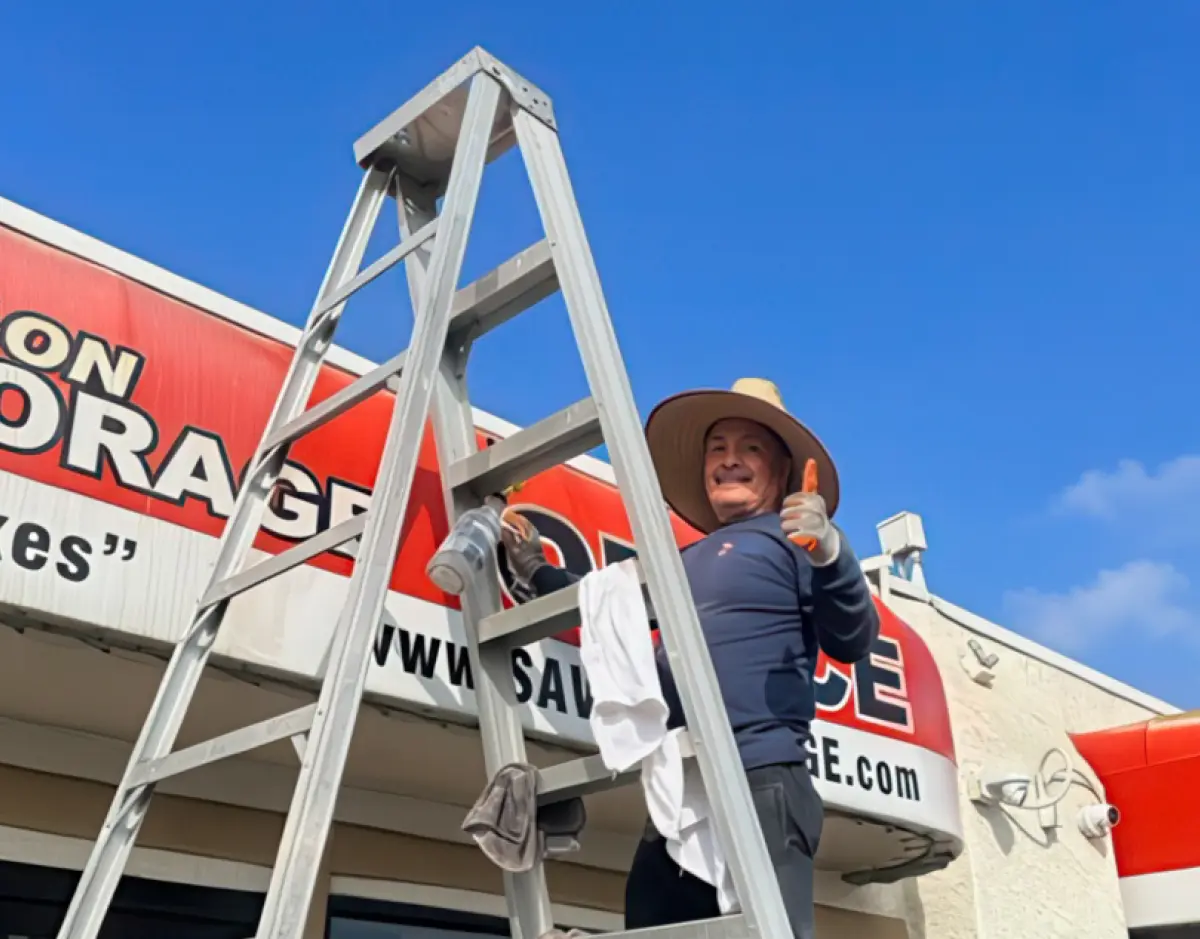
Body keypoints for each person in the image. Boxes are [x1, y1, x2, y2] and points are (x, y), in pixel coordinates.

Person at [500, 378, 880, 939]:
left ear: (782, 470)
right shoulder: (683, 559)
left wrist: (831, 554)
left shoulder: (791, 538)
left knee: (768, 932)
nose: (729, 460)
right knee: (650, 922)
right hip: (679, 781)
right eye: (717, 448)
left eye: (750, 448)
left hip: (759, 774)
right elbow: (609, 606)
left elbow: (852, 638)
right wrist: (534, 568)